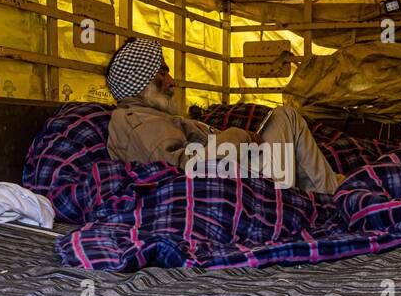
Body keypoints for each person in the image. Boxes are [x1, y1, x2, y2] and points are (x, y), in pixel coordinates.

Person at [104, 37, 342, 193]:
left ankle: (330, 186)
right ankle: (331, 196)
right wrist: (241, 136)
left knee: (289, 132)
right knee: (286, 116)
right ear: (140, 80)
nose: (171, 82)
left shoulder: (144, 115)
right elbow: (189, 167)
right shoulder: (138, 121)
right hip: (234, 184)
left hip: (235, 170)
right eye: (162, 72)